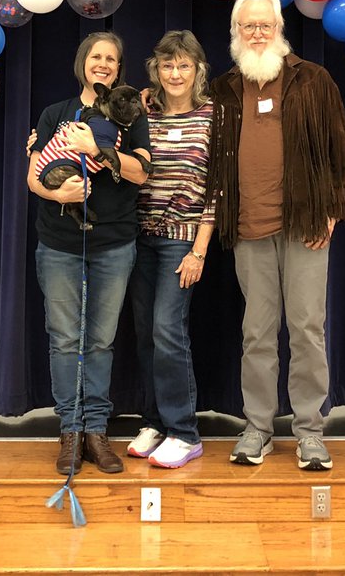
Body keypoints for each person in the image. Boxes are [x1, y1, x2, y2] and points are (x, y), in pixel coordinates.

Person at [205, 0, 345, 471]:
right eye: (247, 26)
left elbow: (340, 149)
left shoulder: (313, 79)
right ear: (236, 32)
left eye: (264, 25)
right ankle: (258, 428)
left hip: (306, 225)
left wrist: (331, 211)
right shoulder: (224, 88)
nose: (256, 33)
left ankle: (310, 431)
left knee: (308, 330)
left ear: (279, 28)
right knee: (257, 334)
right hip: (248, 227)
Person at [26, 32, 151, 475]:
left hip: (114, 244)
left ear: (118, 70)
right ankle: (70, 430)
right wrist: (60, 192)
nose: (104, 64)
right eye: (97, 57)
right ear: (83, 63)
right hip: (59, 244)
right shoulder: (54, 113)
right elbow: (33, 178)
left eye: (112, 60)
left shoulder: (130, 114)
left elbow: (140, 172)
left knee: (99, 342)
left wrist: (96, 149)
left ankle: (96, 431)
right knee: (64, 340)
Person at [125, 31, 214, 469]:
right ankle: (154, 421)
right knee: (145, 334)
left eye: (183, 65)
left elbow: (217, 190)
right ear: (156, 71)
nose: (175, 73)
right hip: (137, 237)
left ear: (197, 69)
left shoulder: (213, 115)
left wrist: (198, 250)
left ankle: (184, 431)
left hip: (181, 239)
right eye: (167, 65)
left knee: (167, 330)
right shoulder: (144, 112)